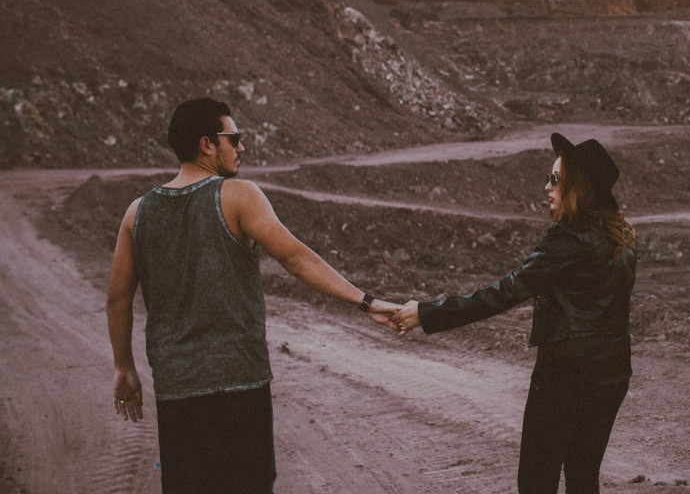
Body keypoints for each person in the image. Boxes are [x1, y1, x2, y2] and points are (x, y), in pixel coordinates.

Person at [106, 97, 402, 493]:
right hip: (238, 383)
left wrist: (124, 367)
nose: (241, 148)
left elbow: (117, 299)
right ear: (207, 144)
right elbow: (296, 258)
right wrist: (366, 301)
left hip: (177, 386)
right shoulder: (238, 196)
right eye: (235, 138)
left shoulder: (137, 213)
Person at [394, 132, 637, 494]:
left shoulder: (567, 240)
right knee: (584, 476)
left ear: (578, 187)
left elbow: (504, 293)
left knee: (537, 480)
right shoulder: (624, 238)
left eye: (555, 179)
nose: (546, 187)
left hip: (564, 375)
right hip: (612, 372)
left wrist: (426, 313)